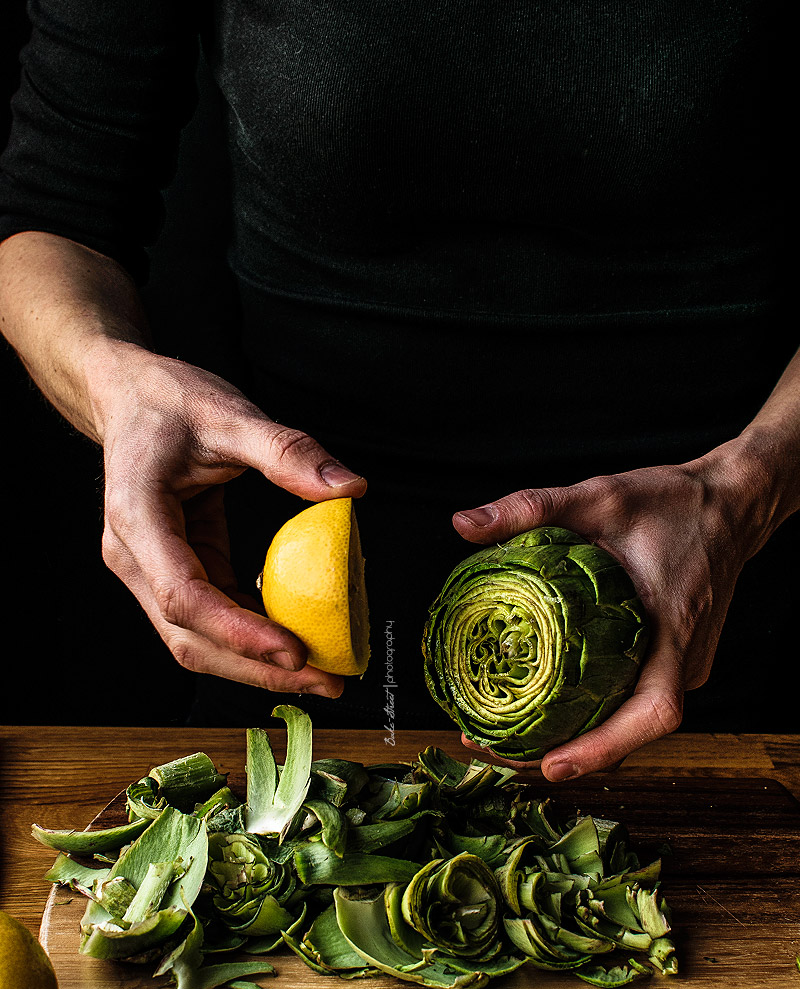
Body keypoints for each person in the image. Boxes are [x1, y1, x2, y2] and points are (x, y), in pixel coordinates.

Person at [1, 2, 798, 778]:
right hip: (303, 615)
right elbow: (51, 212)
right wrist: (110, 379)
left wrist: (742, 491)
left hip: (714, 589)